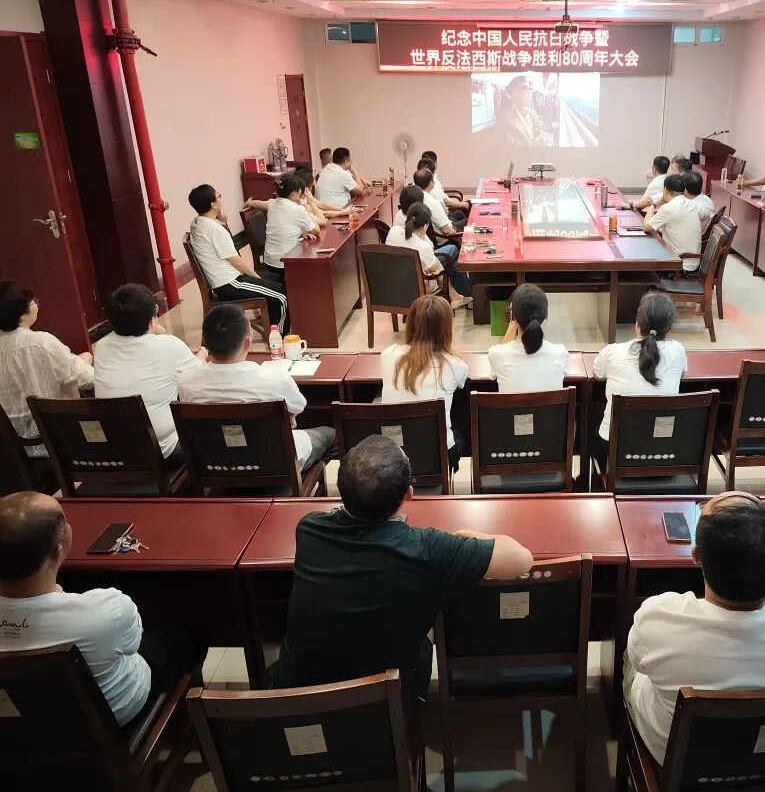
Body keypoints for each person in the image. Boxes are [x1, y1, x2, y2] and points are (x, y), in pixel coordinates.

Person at [271, 436, 534, 696]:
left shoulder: (309, 529)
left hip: (294, 700)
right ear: (409, 493)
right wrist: (463, 534)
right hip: (384, 706)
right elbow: (521, 559)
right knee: (431, 608)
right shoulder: (427, 548)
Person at [625, 491, 765, 764]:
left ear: (696, 556)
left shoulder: (658, 618)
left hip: (681, 762)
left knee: (632, 661)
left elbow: (639, 659)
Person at [0, 492, 207, 726]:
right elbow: (132, 645)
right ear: (58, 550)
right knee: (181, 632)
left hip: (21, 729)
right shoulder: (107, 609)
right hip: (113, 719)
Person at [176, 304, 335, 471]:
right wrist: (289, 416)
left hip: (215, 466)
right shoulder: (274, 378)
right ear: (247, 342)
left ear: (206, 343)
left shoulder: (185, 382)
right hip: (276, 464)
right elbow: (298, 406)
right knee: (331, 434)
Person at [92, 284, 206, 465]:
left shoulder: (102, 347)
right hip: (164, 451)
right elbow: (202, 377)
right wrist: (202, 356)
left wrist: (155, 328)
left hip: (118, 451)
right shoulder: (169, 345)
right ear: (153, 317)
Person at [592, 292, 687, 471]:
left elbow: (597, 375)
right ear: (669, 329)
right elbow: (681, 374)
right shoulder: (678, 351)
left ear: (637, 324)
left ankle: (589, 481)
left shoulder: (612, 352)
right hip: (663, 449)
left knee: (592, 420)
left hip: (615, 447)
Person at [0, 281, 94, 458]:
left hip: (12, 452)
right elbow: (87, 379)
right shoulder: (40, 342)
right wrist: (84, 362)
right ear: (21, 311)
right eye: (33, 301)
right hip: (56, 443)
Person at [380, 295, 470, 470]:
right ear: (447, 328)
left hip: (393, 456)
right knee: (460, 409)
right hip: (438, 455)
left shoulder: (388, 355)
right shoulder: (457, 366)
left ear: (411, 324)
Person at [186, 184, 289, 329]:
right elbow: (236, 261)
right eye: (219, 196)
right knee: (281, 296)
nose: (221, 198)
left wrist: (223, 222)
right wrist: (256, 277)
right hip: (230, 283)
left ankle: (271, 322)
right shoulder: (214, 229)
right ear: (213, 204)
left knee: (279, 279)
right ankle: (279, 334)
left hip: (226, 280)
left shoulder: (197, 223)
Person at [488, 284, 569, 393]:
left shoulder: (496, 354)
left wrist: (513, 322)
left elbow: (494, 374)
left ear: (513, 316)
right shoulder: (560, 353)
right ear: (545, 315)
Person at [386, 203, 471, 301]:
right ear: (425, 225)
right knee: (445, 264)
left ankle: (458, 297)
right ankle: (459, 296)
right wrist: (422, 237)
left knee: (441, 262)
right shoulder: (422, 245)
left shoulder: (393, 230)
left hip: (392, 281)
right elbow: (433, 268)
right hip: (417, 286)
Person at [260, 174, 321, 284]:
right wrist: (305, 208)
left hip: (269, 261)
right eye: (300, 190)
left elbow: (257, 203)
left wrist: (248, 202)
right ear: (293, 193)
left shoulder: (271, 203)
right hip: (285, 264)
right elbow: (316, 231)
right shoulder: (298, 209)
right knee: (314, 260)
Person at [644, 173, 705, 274]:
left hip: (679, 265)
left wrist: (653, 205)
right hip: (692, 263)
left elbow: (646, 227)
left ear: (665, 190)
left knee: (645, 253)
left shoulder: (668, 208)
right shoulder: (692, 204)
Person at [496, 75, 554, 147]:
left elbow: (530, 131)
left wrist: (541, 135)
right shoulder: (506, 119)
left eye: (529, 92)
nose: (529, 96)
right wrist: (537, 142)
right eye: (526, 92)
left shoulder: (527, 113)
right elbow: (513, 146)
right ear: (515, 94)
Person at [419, 152, 471, 217]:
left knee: (470, 203)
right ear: (435, 164)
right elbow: (445, 205)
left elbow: (445, 199)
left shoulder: (426, 179)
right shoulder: (431, 184)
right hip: (444, 215)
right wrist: (462, 204)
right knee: (467, 210)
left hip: (443, 212)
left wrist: (462, 203)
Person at [413, 167, 463, 235]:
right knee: (470, 223)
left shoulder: (412, 197)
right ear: (431, 183)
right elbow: (447, 231)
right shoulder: (432, 202)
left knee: (460, 215)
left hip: (426, 235)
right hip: (444, 238)